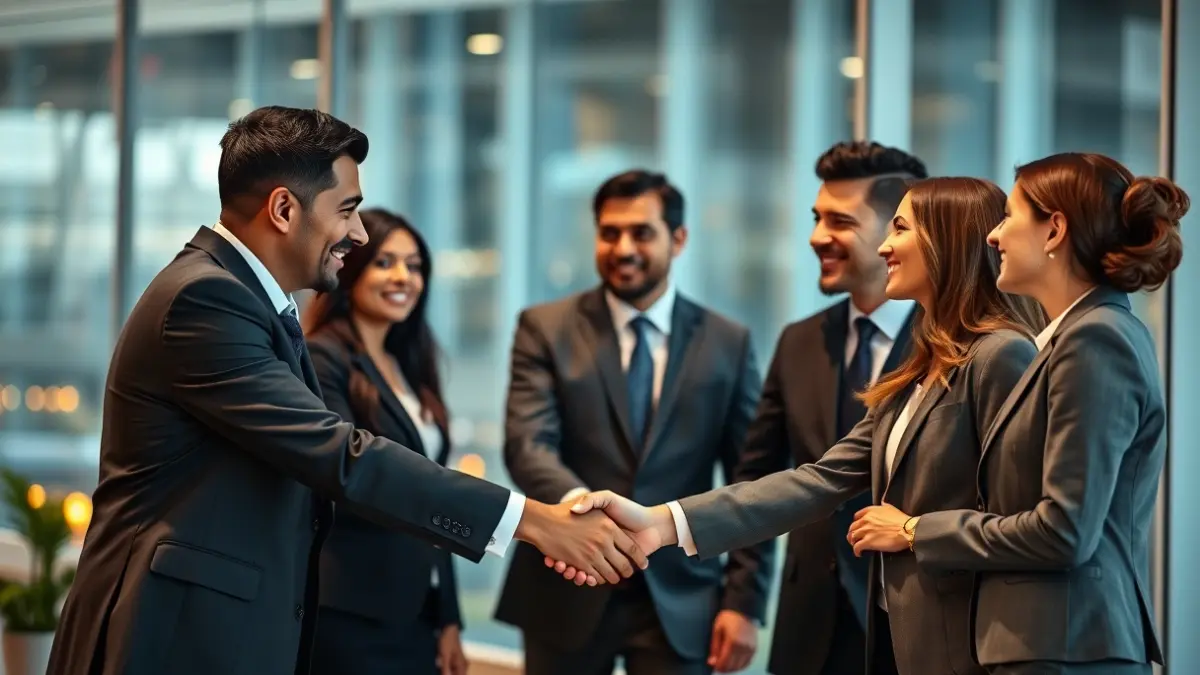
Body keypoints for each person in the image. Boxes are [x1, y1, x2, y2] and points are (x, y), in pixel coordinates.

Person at [46, 106, 648, 675]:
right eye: (347, 209)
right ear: (284, 210)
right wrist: (531, 520)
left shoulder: (248, 300)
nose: (358, 234)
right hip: (170, 633)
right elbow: (340, 453)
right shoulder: (205, 300)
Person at [551, 177, 1047, 675]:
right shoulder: (921, 365)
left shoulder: (1002, 354)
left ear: (947, 241)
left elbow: (1022, 525)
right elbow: (818, 480)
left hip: (968, 649)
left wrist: (914, 531)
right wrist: (661, 523)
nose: (884, 245)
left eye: (899, 228)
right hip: (901, 640)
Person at [850, 152, 1186, 675]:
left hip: (1066, 649)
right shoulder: (1069, 341)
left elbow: (1064, 530)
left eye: (1009, 216)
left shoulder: (1096, 339)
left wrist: (916, 529)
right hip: (1045, 647)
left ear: (1054, 231)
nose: (994, 236)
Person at [493, 169, 769, 675]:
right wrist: (585, 515)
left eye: (641, 233)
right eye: (609, 232)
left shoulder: (728, 343)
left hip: (681, 595)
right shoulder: (545, 328)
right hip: (566, 581)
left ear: (678, 239)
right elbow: (528, 446)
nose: (623, 248)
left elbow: (749, 480)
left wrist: (743, 602)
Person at [723, 141, 925, 675]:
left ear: (896, 229)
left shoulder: (954, 344)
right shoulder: (797, 341)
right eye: (816, 218)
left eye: (840, 221)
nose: (817, 237)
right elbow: (758, 476)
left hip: (911, 621)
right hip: (806, 623)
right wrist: (740, 602)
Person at [301, 209, 467, 675]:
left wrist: (449, 618)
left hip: (416, 614)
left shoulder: (408, 365)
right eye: (385, 262)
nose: (404, 277)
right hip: (352, 611)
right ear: (352, 268)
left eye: (414, 266)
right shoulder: (323, 357)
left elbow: (439, 500)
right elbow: (349, 478)